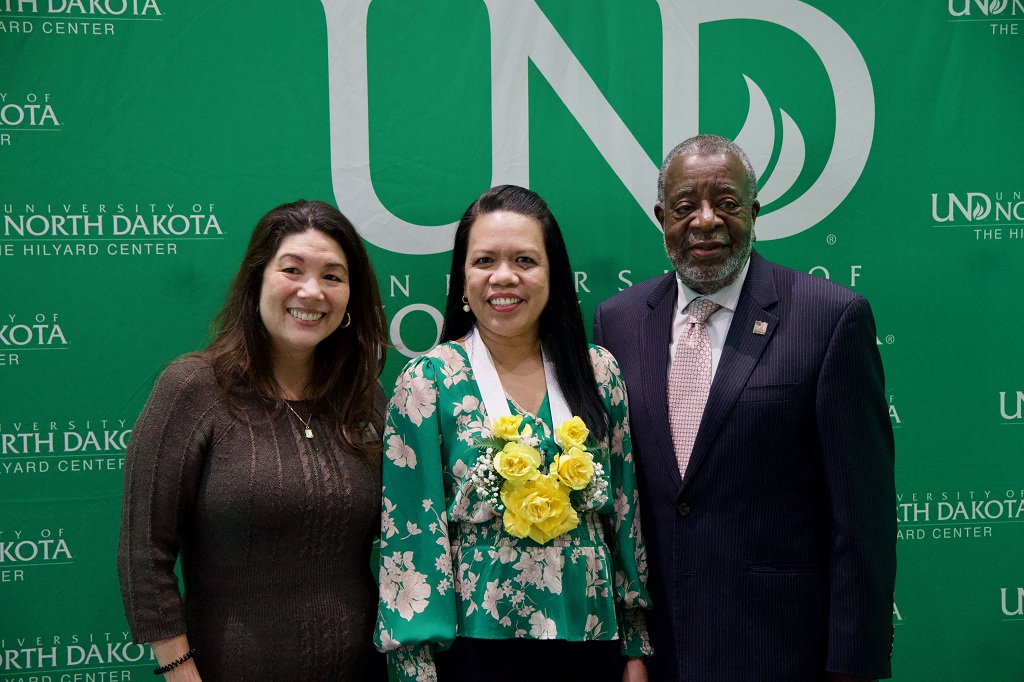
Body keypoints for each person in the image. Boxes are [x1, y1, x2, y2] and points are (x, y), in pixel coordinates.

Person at [593, 135, 897, 682]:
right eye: (686, 206)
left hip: (781, 651)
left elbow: (863, 519)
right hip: (655, 654)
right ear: (661, 216)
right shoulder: (617, 322)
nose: (706, 220)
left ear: (754, 213)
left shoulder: (829, 318)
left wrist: (851, 666)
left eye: (727, 203)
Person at [374, 185, 654, 682]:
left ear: (553, 276)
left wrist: (634, 645)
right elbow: (411, 537)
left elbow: (624, 513)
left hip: (589, 638)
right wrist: (414, 667)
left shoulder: (598, 372)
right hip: (473, 648)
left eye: (525, 260)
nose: (504, 277)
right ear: (463, 279)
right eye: (484, 261)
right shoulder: (427, 382)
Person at [117, 200, 389, 681]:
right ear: (257, 279)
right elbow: (144, 555)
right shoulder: (194, 388)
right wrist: (180, 671)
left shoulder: (362, 397)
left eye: (333, 275)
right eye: (292, 269)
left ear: (351, 296)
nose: (312, 291)